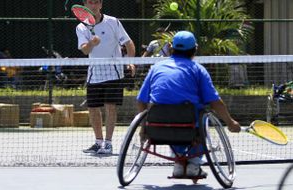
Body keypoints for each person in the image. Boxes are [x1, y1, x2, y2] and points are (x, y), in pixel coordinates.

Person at [136, 31, 240, 178]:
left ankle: (179, 162)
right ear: (195, 49)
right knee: (202, 113)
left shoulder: (156, 68)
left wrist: (143, 127)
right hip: (190, 127)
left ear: (171, 48)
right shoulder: (198, 70)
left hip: (157, 127)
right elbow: (215, 102)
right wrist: (230, 122)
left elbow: (141, 101)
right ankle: (194, 163)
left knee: (180, 117)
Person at [75, 0, 136, 154]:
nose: (93, 6)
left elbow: (128, 43)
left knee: (110, 107)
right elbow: (84, 50)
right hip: (95, 74)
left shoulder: (113, 22)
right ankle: (98, 142)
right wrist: (91, 44)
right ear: (85, 5)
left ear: (100, 4)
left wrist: (131, 62)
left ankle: (108, 143)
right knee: (93, 109)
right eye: (90, 3)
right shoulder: (81, 27)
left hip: (113, 72)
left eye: (96, 2)